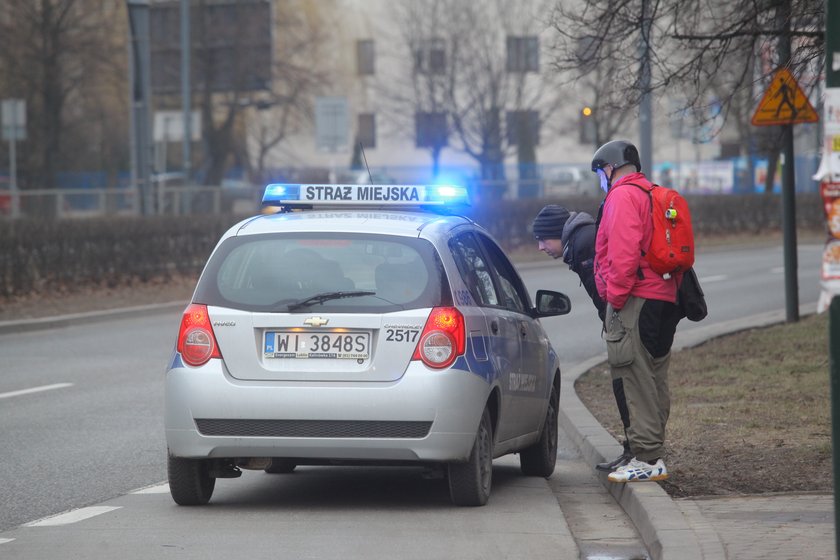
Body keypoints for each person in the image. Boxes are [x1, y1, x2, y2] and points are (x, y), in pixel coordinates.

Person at [591, 139, 681, 483]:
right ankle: (653, 451)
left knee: (635, 374)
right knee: (654, 375)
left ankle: (647, 458)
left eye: (601, 172)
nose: (601, 179)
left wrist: (614, 299)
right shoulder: (649, 191)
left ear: (610, 168)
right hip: (662, 297)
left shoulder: (622, 196)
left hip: (637, 299)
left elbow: (623, 254)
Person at [532, 204, 633, 472]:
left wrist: (613, 326)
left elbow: (606, 295)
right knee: (628, 384)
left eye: (542, 239)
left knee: (626, 383)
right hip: (627, 320)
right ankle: (636, 448)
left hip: (626, 323)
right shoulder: (582, 239)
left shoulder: (583, 245)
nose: (540, 247)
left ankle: (637, 450)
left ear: (556, 233)